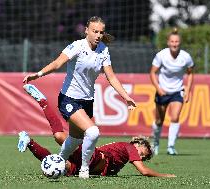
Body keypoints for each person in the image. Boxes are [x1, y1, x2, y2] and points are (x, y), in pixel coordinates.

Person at [22, 16, 136, 178]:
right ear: (86, 31)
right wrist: (38, 74)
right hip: (69, 99)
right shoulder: (77, 46)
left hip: (87, 101)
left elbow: (111, 77)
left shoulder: (103, 49)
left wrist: (126, 97)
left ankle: (60, 160)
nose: (98, 35)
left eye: (101, 32)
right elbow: (57, 63)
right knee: (93, 132)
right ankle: (84, 169)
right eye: (95, 31)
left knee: (75, 139)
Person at [18, 84, 176, 178]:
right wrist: (165, 175)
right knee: (60, 137)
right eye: (144, 151)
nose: (142, 155)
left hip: (85, 165)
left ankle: (29, 142)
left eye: (145, 157)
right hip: (90, 157)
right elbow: (144, 171)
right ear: (137, 142)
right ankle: (43, 101)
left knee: (57, 165)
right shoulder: (129, 148)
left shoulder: (119, 164)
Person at [150, 28, 194, 155]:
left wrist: (187, 90)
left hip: (177, 91)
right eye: (172, 41)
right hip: (162, 91)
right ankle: (156, 143)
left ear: (180, 43)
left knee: (175, 117)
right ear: (168, 43)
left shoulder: (186, 57)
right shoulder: (161, 55)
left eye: (177, 42)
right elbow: (152, 73)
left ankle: (171, 146)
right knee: (159, 121)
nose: (175, 44)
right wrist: (158, 88)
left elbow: (190, 74)